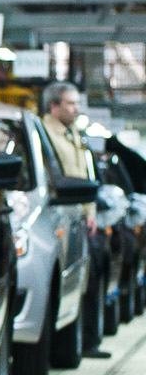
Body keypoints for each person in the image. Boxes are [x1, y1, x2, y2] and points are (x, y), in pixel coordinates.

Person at [43, 80, 109, 359]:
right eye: (70, 103)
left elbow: (85, 177)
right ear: (53, 106)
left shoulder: (75, 135)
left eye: (77, 103)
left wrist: (90, 212)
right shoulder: (45, 134)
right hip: (57, 216)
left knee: (87, 278)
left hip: (79, 218)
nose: (76, 109)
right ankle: (64, 347)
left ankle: (86, 342)